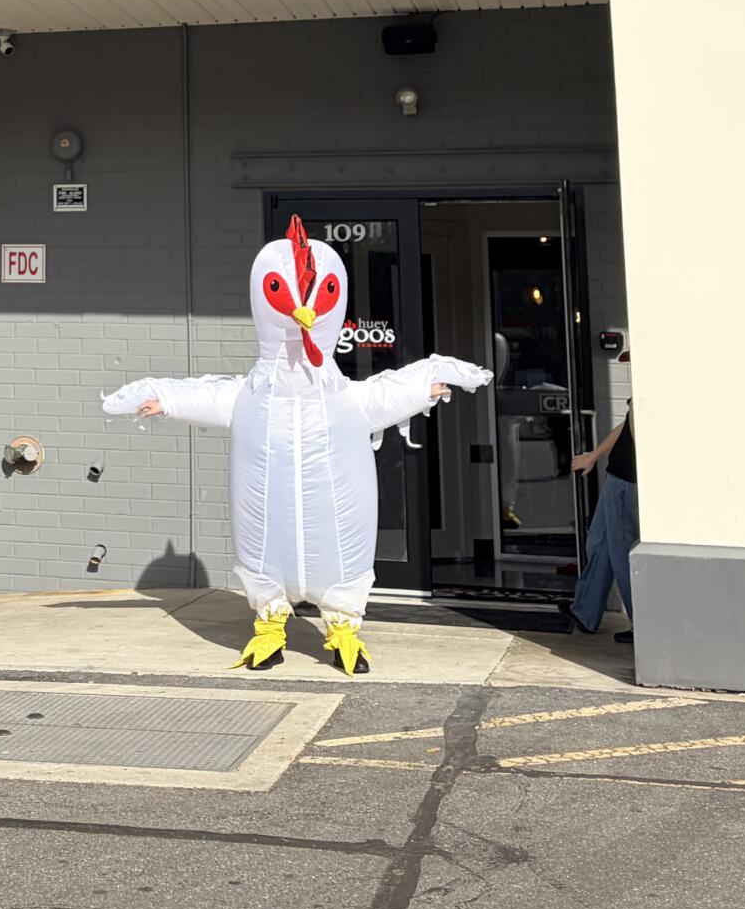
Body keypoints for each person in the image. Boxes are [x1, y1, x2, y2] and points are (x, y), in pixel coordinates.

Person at [105, 216, 492, 677]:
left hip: (336, 524)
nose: (303, 313)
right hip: (266, 525)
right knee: (262, 549)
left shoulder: (340, 397)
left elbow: (379, 397)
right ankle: (270, 628)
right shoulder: (251, 396)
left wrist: (425, 385)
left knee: (342, 555)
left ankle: (343, 630)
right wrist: (162, 400)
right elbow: (206, 395)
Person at [565, 373, 638, 642]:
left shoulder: (650, 391)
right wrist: (594, 456)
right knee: (601, 545)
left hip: (627, 483)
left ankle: (641, 625)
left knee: (622, 553)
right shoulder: (642, 396)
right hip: (618, 478)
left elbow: (636, 429)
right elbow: (625, 426)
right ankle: (586, 611)